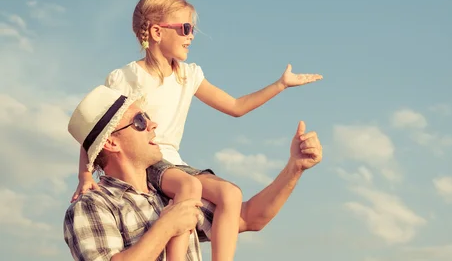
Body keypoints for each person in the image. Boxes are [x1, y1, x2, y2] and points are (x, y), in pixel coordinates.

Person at [70, 0, 323, 261]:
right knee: (190, 187)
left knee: (230, 193)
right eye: (185, 28)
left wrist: (280, 85)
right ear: (157, 32)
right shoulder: (128, 77)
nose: (191, 36)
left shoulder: (188, 75)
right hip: (153, 164)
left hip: (175, 164)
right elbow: (98, 129)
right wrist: (85, 176)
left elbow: (236, 107)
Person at [64, 85, 323, 261]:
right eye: (140, 122)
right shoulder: (91, 206)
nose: (153, 125)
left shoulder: (167, 197)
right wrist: (166, 226)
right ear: (111, 143)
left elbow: (249, 218)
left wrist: (294, 167)